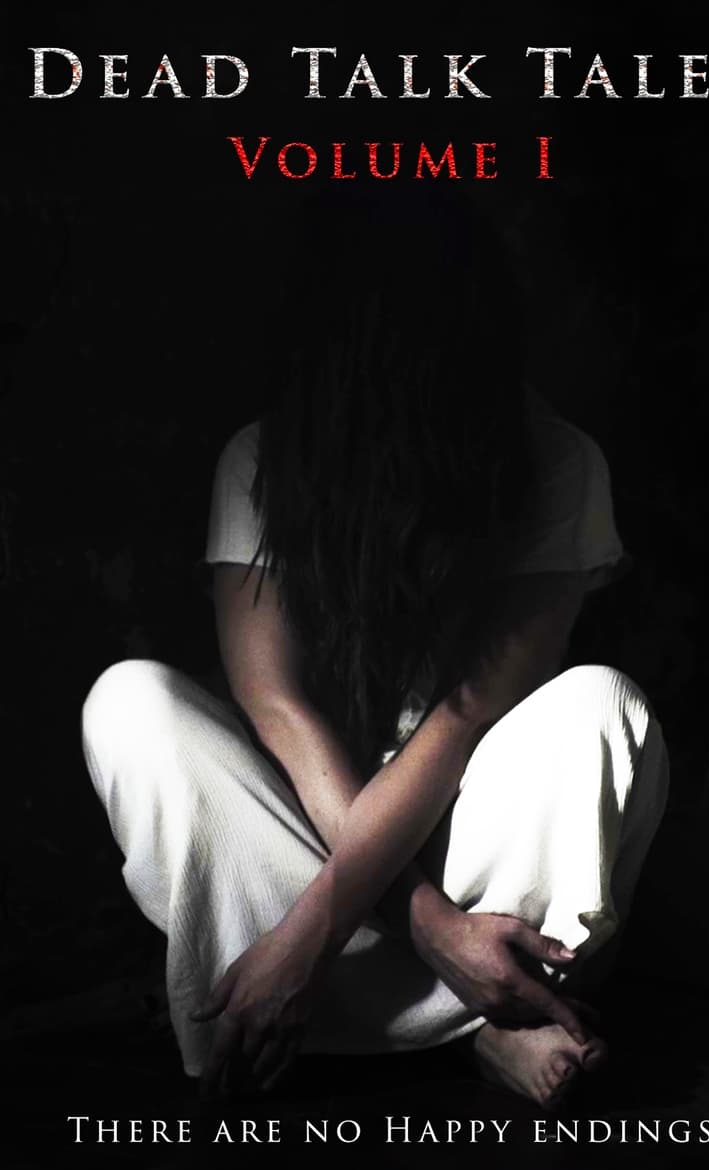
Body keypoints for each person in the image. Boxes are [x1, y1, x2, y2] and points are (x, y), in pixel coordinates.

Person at [81, 193, 668, 1109]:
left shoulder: (557, 461)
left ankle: (462, 1012)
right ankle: (465, 1021)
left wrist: (325, 934)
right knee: (129, 702)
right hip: (307, 836)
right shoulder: (262, 460)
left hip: (466, 837)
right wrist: (419, 927)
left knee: (602, 703)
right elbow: (277, 709)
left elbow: (464, 718)